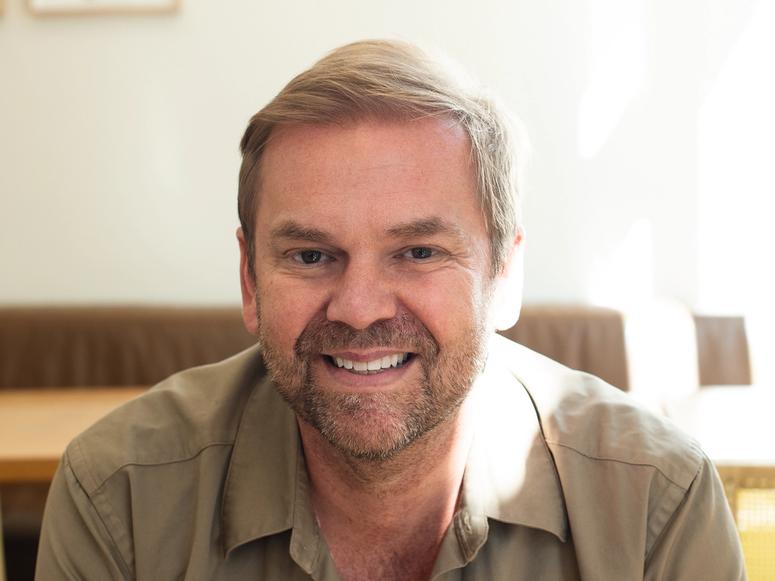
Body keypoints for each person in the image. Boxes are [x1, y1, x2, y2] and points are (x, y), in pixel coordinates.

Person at [36, 40, 745, 581]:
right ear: (250, 283)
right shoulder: (119, 496)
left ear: (503, 276)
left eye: (417, 252)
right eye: (311, 255)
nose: (360, 308)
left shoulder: (656, 501)